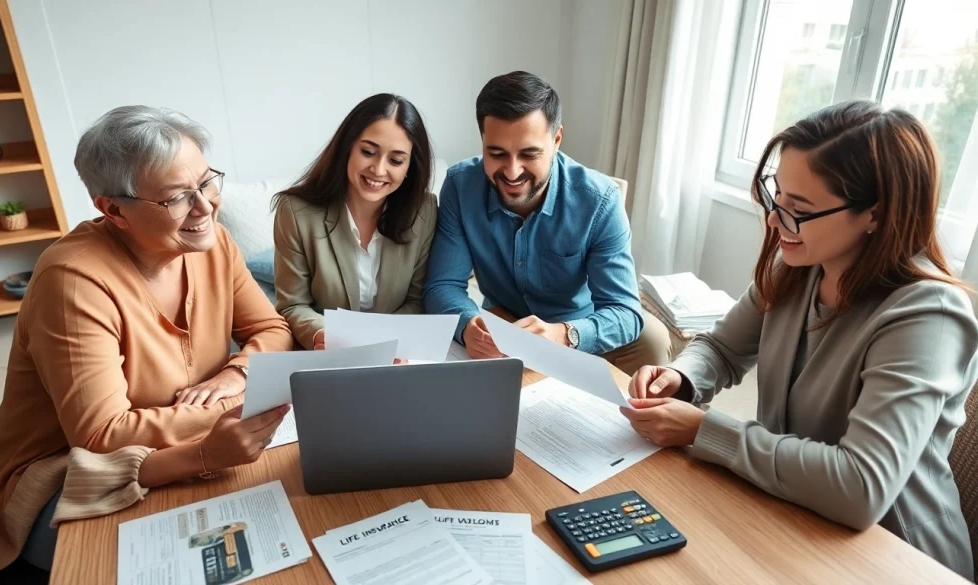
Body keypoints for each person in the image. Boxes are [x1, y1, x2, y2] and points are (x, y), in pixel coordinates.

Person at [622, 101, 976, 579]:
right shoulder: (799, 265)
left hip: (892, 557)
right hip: (791, 514)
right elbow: (723, 348)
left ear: (875, 213)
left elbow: (861, 486)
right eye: (777, 199)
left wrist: (702, 429)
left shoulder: (927, 316)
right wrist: (680, 377)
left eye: (799, 210)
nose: (774, 222)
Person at [0, 106, 293, 575]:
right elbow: (101, 437)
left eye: (206, 182)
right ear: (113, 209)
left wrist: (235, 372)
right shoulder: (73, 282)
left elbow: (272, 329)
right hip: (64, 485)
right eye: (178, 198)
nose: (205, 207)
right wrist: (230, 415)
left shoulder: (214, 243)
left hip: (179, 452)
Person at [423, 71, 670, 374]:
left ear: (556, 140)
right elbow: (442, 285)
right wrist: (467, 324)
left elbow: (625, 312)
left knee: (653, 340)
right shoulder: (461, 186)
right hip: (501, 324)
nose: (512, 172)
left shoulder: (601, 201)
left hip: (575, 326)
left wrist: (566, 334)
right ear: (483, 142)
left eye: (529, 154)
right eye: (497, 153)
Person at [272, 94, 436, 351]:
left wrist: (383, 342)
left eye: (396, 160)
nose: (379, 170)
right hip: (327, 354)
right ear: (347, 147)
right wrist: (322, 334)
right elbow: (292, 305)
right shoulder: (295, 212)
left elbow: (417, 300)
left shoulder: (424, 211)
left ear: (410, 167)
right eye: (368, 152)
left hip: (396, 353)